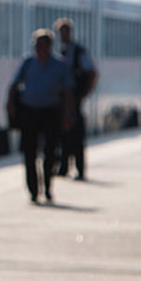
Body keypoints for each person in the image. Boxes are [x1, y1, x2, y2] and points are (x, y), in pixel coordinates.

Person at [6, 29, 74, 203]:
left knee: (50, 151)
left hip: (50, 112)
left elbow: (67, 92)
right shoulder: (28, 62)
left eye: (43, 45)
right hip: (30, 111)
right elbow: (14, 84)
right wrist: (10, 104)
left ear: (50, 46)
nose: (40, 48)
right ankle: (34, 189)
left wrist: (68, 114)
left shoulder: (60, 65)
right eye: (37, 45)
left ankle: (48, 184)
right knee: (29, 151)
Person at [54, 18, 97, 180]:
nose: (63, 35)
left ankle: (80, 169)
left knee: (76, 135)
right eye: (61, 32)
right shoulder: (60, 52)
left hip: (74, 99)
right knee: (62, 135)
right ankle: (64, 166)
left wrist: (84, 92)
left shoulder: (79, 51)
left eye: (66, 32)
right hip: (61, 99)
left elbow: (92, 72)